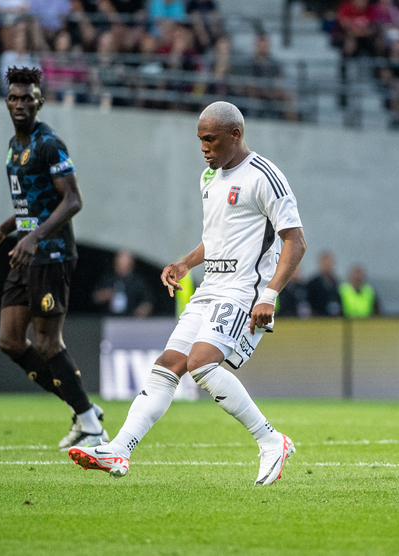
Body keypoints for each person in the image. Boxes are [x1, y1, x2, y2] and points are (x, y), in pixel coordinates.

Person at [69, 101, 307, 486]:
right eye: (200, 140)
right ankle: (119, 449)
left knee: (200, 363)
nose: (203, 148)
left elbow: (296, 241)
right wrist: (184, 263)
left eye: (210, 139)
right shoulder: (208, 178)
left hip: (243, 291)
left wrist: (269, 294)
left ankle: (270, 441)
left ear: (235, 134)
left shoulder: (265, 176)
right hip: (210, 287)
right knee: (167, 366)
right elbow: (216, 239)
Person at [0, 67, 107, 451]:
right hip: (26, 251)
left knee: (48, 342)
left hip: (51, 253)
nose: (20, 104)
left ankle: (91, 426)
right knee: (10, 341)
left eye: (27, 98)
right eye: (14, 98)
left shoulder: (50, 144)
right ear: (6, 101)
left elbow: (73, 200)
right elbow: (32, 205)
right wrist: (3, 230)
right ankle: (84, 410)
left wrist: (34, 237)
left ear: (40, 102)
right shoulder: (13, 146)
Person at [92, 249, 154, 317]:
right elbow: (95, 297)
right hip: (109, 319)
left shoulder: (138, 281)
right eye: (118, 260)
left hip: (129, 319)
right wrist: (105, 294)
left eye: (123, 261)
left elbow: (147, 301)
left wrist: (141, 311)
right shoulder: (108, 278)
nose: (120, 264)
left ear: (131, 263)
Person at [307, 251, 342, 316]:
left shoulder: (338, 283)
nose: (327, 266)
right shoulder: (312, 284)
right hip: (319, 318)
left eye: (329, 263)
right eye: (325, 263)